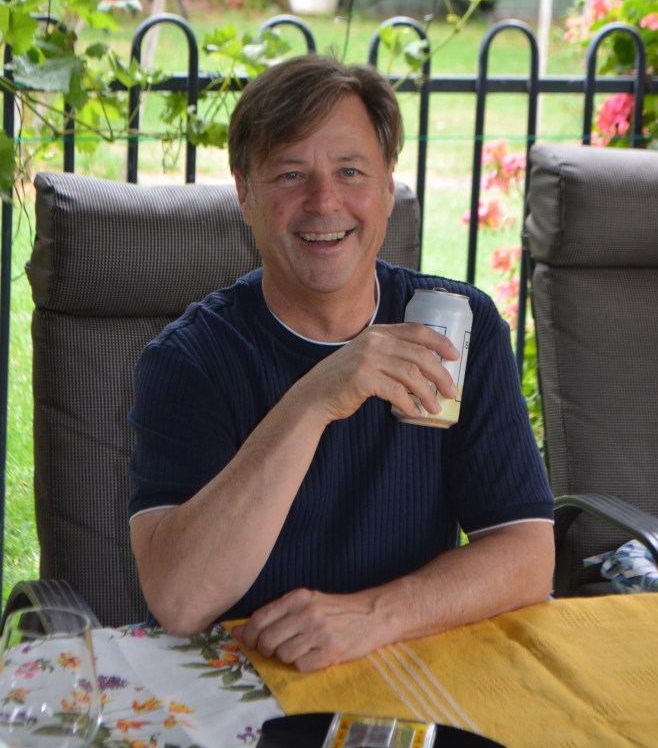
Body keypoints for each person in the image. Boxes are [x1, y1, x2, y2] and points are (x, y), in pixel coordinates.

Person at [128, 54, 554, 672]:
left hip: (406, 670)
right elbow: (181, 600)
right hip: (239, 685)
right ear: (245, 193)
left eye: (350, 171)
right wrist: (315, 399)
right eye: (290, 174)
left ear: (387, 189)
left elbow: (527, 554)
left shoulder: (459, 330)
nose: (324, 201)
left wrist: (374, 616)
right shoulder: (189, 360)